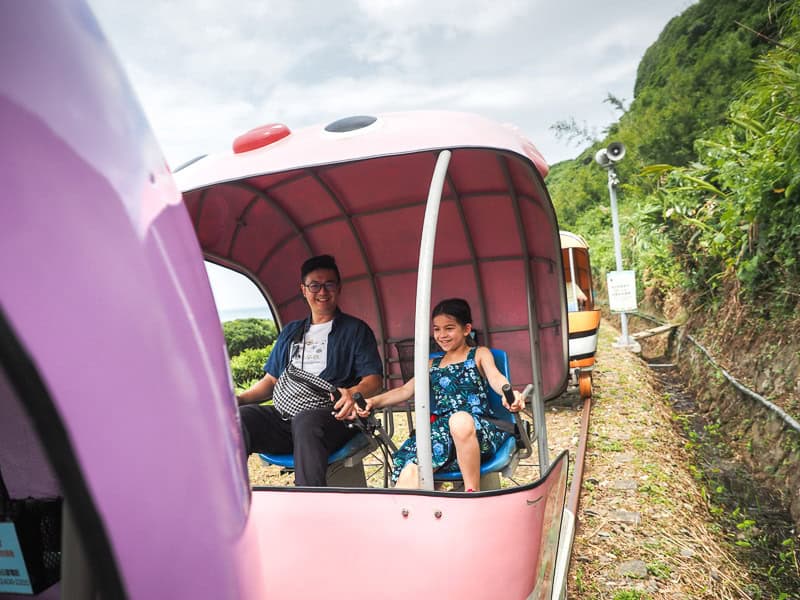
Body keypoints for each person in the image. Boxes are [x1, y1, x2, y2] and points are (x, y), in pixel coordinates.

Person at [237, 254, 383, 486]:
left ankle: (309, 500)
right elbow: (271, 381)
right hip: (288, 420)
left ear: (339, 288)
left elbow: (374, 379)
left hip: (335, 418)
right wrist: (238, 399)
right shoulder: (291, 332)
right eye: (315, 285)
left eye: (329, 284)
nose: (322, 292)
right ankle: (230, 499)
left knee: (307, 421)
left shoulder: (355, 331)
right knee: (242, 418)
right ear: (303, 290)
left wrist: (351, 392)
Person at [356, 298, 524, 491]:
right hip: (442, 437)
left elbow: (496, 378)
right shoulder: (431, 365)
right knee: (411, 469)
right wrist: (372, 401)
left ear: (466, 329)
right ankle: (409, 513)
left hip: (476, 431)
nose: (442, 335)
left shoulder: (478, 354)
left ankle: (471, 493)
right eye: (437, 329)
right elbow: (405, 391)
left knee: (459, 421)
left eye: (449, 328)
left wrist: (509, 393)